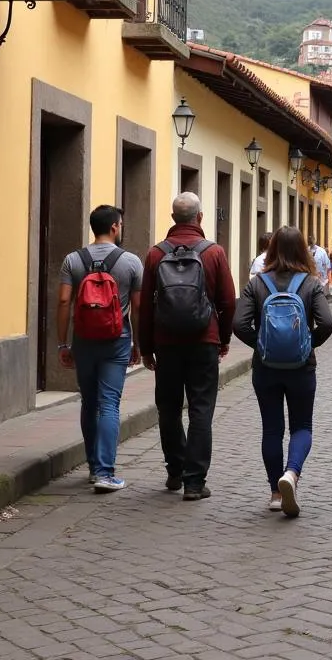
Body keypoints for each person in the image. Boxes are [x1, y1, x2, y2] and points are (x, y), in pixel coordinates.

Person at [138, 192, 236, 501]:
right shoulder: (214, 253)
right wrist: (224, 338)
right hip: (203, 341)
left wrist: (146, 347)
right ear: (200, 218)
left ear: (172, 218)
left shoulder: (155, 254)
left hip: (166, 343)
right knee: (201, 409)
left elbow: (144, 307)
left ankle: (175, 470)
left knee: (168, 408)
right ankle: (195, 482)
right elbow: (227, 301)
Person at [233, 227, 332, 516]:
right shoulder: (311, 283)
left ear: (272, 249)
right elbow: (327, 323)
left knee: (272, 428)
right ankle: (291, 473)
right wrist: (307, 345)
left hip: (265, 368)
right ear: (304, 250)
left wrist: (262, 345)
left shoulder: (257, 283)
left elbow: (239, 324)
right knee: (302, 426)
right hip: (302, 367)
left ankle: (276, 494)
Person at [57, 205, 144, 493]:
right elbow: (139, 308)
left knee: (89, 402)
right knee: (109, 403)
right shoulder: (130, 262)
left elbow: (63, 302)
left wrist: (63, 343)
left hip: (83, 340)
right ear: (115, 227)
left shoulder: (73, 260)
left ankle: (94, 468)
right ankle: (107, 473)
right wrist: (139, 344)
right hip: (117, 339)